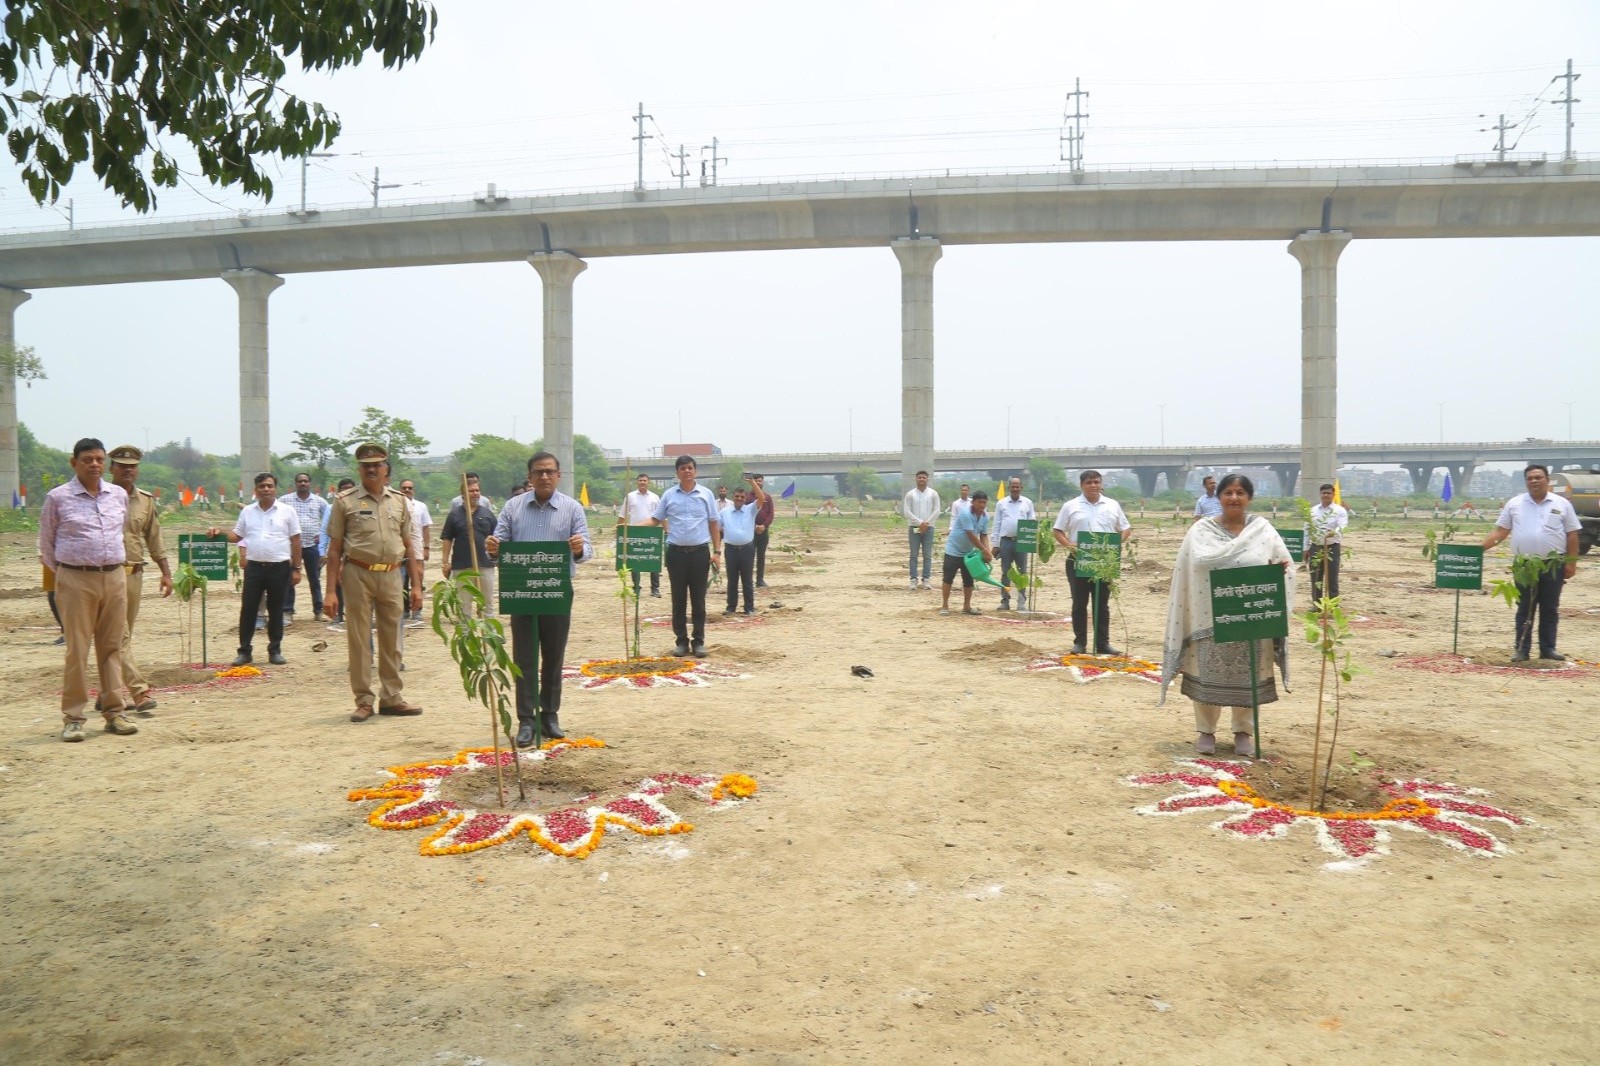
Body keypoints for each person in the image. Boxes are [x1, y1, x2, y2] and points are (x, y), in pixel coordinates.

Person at [1159, 473, 1294, 759]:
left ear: (1249, 498)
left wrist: (1277, 571)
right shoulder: (1201, 531)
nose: (1234, 498)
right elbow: (1190, 566)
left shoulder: (1263, 530)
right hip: (1209, 616)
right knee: (1206, 671)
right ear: (1218, 497)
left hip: (1251, 616)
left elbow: (1285, 565)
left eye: (1240, 492)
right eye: (1228, 492)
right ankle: (1206, 731)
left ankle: (1243, 732)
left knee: (1250, 675)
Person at [487, 451, 592, 746]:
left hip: (556, 590)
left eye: (549, 471)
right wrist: (493, 549)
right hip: (521, 591)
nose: (544, 476)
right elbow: (498, 543)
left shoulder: (572, 509)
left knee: (554, 655)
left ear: (559, 475)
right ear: (530, 476)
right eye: (538, 472)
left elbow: (587, 551)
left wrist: (578, 548)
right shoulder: (512, 507)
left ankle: (550, 714)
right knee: (524, 656)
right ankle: (526, 719)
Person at [40, 438, 138, 742]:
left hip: (114, 577)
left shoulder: (118, 495)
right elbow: (46, 545)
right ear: (74, 463)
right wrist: (68, 577)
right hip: (75, 580)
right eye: (87, 459)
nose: (94, 464)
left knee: (111, 648)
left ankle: (115, 713)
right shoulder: (58, 498)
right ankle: (73, 718)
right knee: (77, 650)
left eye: (98, 459)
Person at [325, 443, 424, 722]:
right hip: (357, 574)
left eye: (377, 465)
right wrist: (331, 591)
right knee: (359, 638)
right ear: (359, 469)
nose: (371, 469)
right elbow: (334, 550)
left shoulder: (400, 501)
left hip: (393, 575)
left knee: (393, 637)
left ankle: (392, 698)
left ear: (386, 470)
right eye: (366, 465)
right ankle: (364, 699)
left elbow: (409, 545)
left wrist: (416, 586)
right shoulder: (345, 501)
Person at [1482, 464, 1581, 662]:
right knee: (1525, 607)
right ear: (1526, 481)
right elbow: (1501, 531)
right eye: (1530, 478)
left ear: (1548, 480)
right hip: (1524, 566)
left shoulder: (1562, 504)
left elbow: (1572, 534)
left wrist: (1571, 563)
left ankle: (1548, 649)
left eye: (1538, 477)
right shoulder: (1515, 504)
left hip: (1553, 565)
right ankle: (1521, 649)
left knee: (1550, 608)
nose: (1534, 481)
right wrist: (1478, 549)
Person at [214, 472, 302, 667]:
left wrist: (296, 568)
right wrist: (219, 533)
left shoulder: (287, 511)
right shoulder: (247, 512)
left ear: (275, 488)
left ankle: (275, 650)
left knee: (276, 609)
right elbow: (237, 536)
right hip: (254, 567)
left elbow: (296, 540)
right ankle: (244, 651)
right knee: (249, 609)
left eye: (269, 486)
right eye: (262, 486)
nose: (266, 489)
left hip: (279, 567)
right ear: (255, 490)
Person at [108, 445, 171, 715]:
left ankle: (106, 693)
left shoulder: (145, 501)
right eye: (122, 465)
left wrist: (166, 573)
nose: (127, 469)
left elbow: (154, 539)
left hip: (134, 574)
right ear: (112, 468)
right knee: (118, 637)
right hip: (106, 574)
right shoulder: (100, 495)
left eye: (132, 465)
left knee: (121, 637)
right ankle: (139, 691)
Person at [1052, 470, 1133, 655]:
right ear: (1082, 485)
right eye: (1089, 482)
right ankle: (1080, 642)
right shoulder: (1071, 506)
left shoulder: (1112, 505)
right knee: (1079, 603)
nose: (1093, 485)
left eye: (1096, 482)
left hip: (1104, 562)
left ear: (1101, 484)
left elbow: (1126, 528)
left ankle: (1102, 643)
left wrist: (1116, 543)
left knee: (1102, 604)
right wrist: (1069, 545)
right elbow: (1057, 530)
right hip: (1078, 559)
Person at [650, 455, 721, 658]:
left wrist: (717, 552)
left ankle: (699, 642)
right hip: (676, 554)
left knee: (698, 600)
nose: (687, 471)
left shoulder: (706, 495)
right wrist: (630, 529)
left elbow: (714, 523)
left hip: (700, 554)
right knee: (678, 600)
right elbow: (656, 519)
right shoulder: (669, 495)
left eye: (690, 467)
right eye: (683, 468)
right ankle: (681, 642)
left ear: (695, 471)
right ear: (677, 473)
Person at [439, 474, 498, 617]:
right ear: (463, 494)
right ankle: (466, 636)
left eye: (477, 490)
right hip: (462, 567)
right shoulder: (454, 515)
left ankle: (489, 637)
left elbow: (496, 538)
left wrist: (497, 558)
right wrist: (445, 562)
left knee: (487, 603)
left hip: (485, 565)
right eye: (471, 491)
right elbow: (447, 539)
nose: (475, 493)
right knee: (464, 604)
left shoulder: (487, 514)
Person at [283, 471, 329, 626]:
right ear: (295, 483)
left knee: (314, 579)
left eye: (305, 481)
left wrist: (324, 540)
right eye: (300, 481)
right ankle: (288, 612)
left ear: (310, 483)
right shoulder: (285, 500)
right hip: (291, 547)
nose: (303, 483)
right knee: (290, 579)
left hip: (312, 546)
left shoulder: (319, 501)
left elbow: (330, 519)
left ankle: (318, 611)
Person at [940, 490, 993, 615]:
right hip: (953, 550)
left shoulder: (985, 516)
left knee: (968, 580)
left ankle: (967, 607)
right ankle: (945, 606)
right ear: (973, 502)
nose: (982, 505)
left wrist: (987, 552)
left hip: (969, 553)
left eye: (984, 502)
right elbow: (971, 535)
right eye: (979, 502)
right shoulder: (965, 513)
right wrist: (984, 550)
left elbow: (983, 535)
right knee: (948, 578)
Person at [993, 477, 1036, 611]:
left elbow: (1032, 522)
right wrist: (995, 544)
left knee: (1022, 572)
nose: (1015, 489)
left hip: (1022, 542)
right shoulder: (1001, 503)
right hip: (1006, 542)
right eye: (1013, 486)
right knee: (1006, 572)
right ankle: (1005, 601)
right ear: (1009, 488)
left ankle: (1021, 601)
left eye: (1018, 486)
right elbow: (997, 524)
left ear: (1021, 487)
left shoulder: (1027, 503)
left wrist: (1032, 541)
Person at [619, 473, 661, 598]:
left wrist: (666, 530)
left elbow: (660, 515)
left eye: (644, 480)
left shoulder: (655, 497)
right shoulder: (630, 496)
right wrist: (618, 529)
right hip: (634, 533)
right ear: (637, 482)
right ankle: (636, 587)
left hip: (651, 533)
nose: (642, 482)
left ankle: (655, 588)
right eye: (640, 480)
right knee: (634, 561)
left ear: (648, 482)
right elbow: (623, 515)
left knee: (653, 561)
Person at [1308, 482, 1349, 602]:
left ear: (1333, 494)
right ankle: (1317, 605)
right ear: (1320, 494)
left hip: (1332, 548)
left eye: (1329, 493)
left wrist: (1334, 532)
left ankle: (1333, 606)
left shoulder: (1340, 511)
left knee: (1332, 578)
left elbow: (1342, 526)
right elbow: (1307, 529)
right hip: (1315, 548)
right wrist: (1305, 548)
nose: (1326, 495)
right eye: (1323, 493)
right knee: (1316, 578)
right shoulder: (1312, 511)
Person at [398, 478, 432, 624]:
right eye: (404, 488)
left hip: (416, 545)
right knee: (400, 579)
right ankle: (404, 610)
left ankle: (417, 611)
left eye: (409, 488)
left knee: (417, 577)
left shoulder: (421, 506)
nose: (407, 490)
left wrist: (426, 547)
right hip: (399, 545)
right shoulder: (395, 504)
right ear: (400, 489)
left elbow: (425, 527)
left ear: (413, 490)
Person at [720, 485, 758, 615]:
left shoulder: (751, 510)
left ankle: (749, 608)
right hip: (730, 550)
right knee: (732, 580)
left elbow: (762, 497)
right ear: (733, 497)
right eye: (737, 496)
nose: (739, 499)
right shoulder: (724, 512)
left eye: (742, 497)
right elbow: (716, 528)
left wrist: (752, 482)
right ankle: (731, 607)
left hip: (747, 549)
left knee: (747, 580)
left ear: (745, 498)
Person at [322, 477, 354, 628]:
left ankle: (353, 614)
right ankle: (337, 615)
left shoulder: (359, 505)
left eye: (350, 488)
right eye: (343, 488)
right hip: (337, 550)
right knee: (336, 582)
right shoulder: (332, 507)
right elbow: (324, 530)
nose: (347, 491)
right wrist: (322, 550)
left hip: (353, 552)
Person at [903, 470, 941, 591]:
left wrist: (926, 523)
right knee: (914, 555)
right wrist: (920, 523)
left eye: (924, 478)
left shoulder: (933, 494)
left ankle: (926, 579)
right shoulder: (910, 494)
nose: (921, 479)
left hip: (929, 528)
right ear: (916, 479)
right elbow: (907, 511)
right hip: (914, 528)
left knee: (927, 555)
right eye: (919, 477)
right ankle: (913, 580)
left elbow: (937, 510)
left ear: (927, 479)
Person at [750, 472, 775, 588]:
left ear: (763, 482)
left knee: (761, 555)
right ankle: (748, 579)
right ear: (752, 482)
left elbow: (771, 514)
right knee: (749, 556)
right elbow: (745, 514)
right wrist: (754, 526)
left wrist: (764, 526)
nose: (758, 482)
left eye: (760, 480)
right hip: (750, 531)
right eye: (756, 481)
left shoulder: (767, 497)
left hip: (763, 531)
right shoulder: (747, 496)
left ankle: (760, 580)